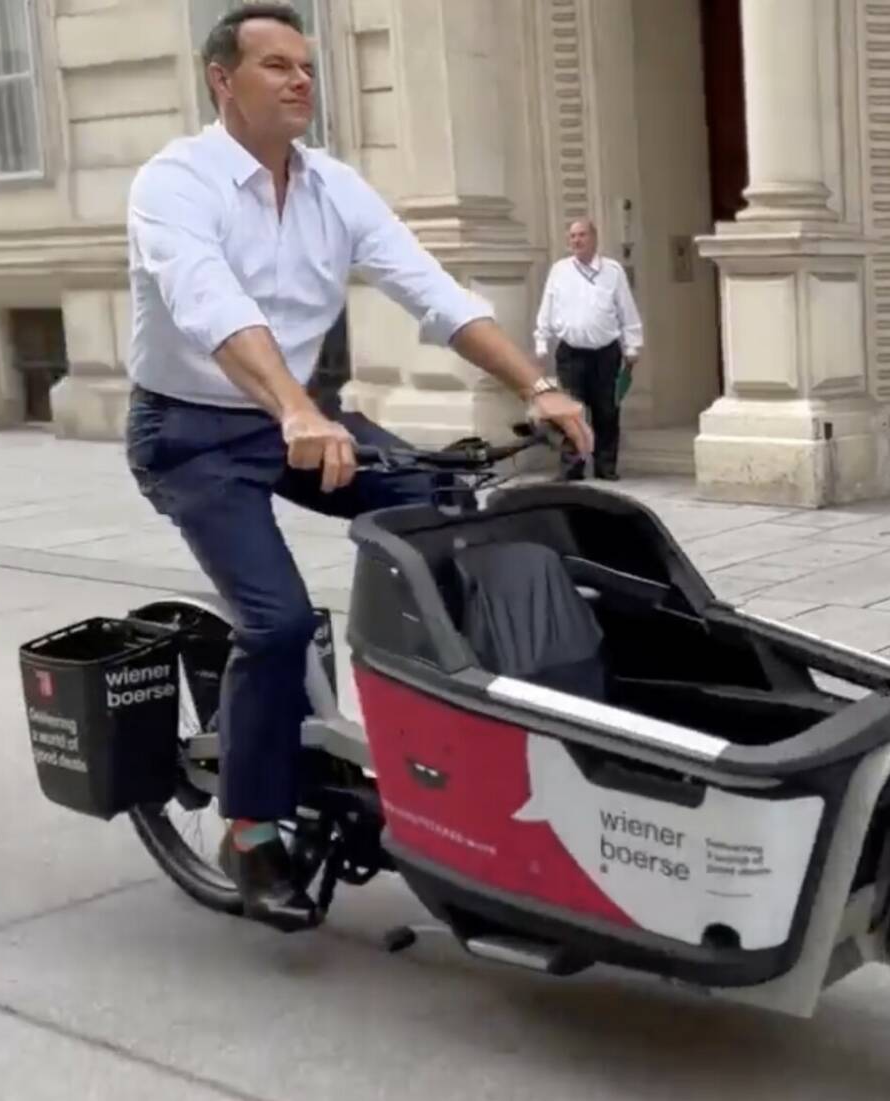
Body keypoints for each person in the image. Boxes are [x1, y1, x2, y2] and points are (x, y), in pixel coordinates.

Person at [124, 3, 591, 933]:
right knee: (280, 619)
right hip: (192, 431)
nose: (301, 79)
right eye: (276, 65)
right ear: (224, 79)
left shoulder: (334, 187)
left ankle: (458, 730)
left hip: (299, 419)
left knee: (450, 497)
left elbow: (429, 288)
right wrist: (293, 404)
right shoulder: (176, 182)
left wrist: (540, 385)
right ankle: (251, 829)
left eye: (306, 64)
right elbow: (207, 301)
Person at [532, 218, 644, 481]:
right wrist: (541, 341)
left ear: (593, 238)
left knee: (607, 410)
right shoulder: (559, 270)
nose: (577, 241)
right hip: (571, 353)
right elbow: (547, 306)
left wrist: (633, 345)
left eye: (582, 235)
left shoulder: (612, 271)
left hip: (606, 352)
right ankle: (572, 467)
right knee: (571, 412)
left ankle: (606, 466)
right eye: (572, 236)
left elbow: (626, 309)